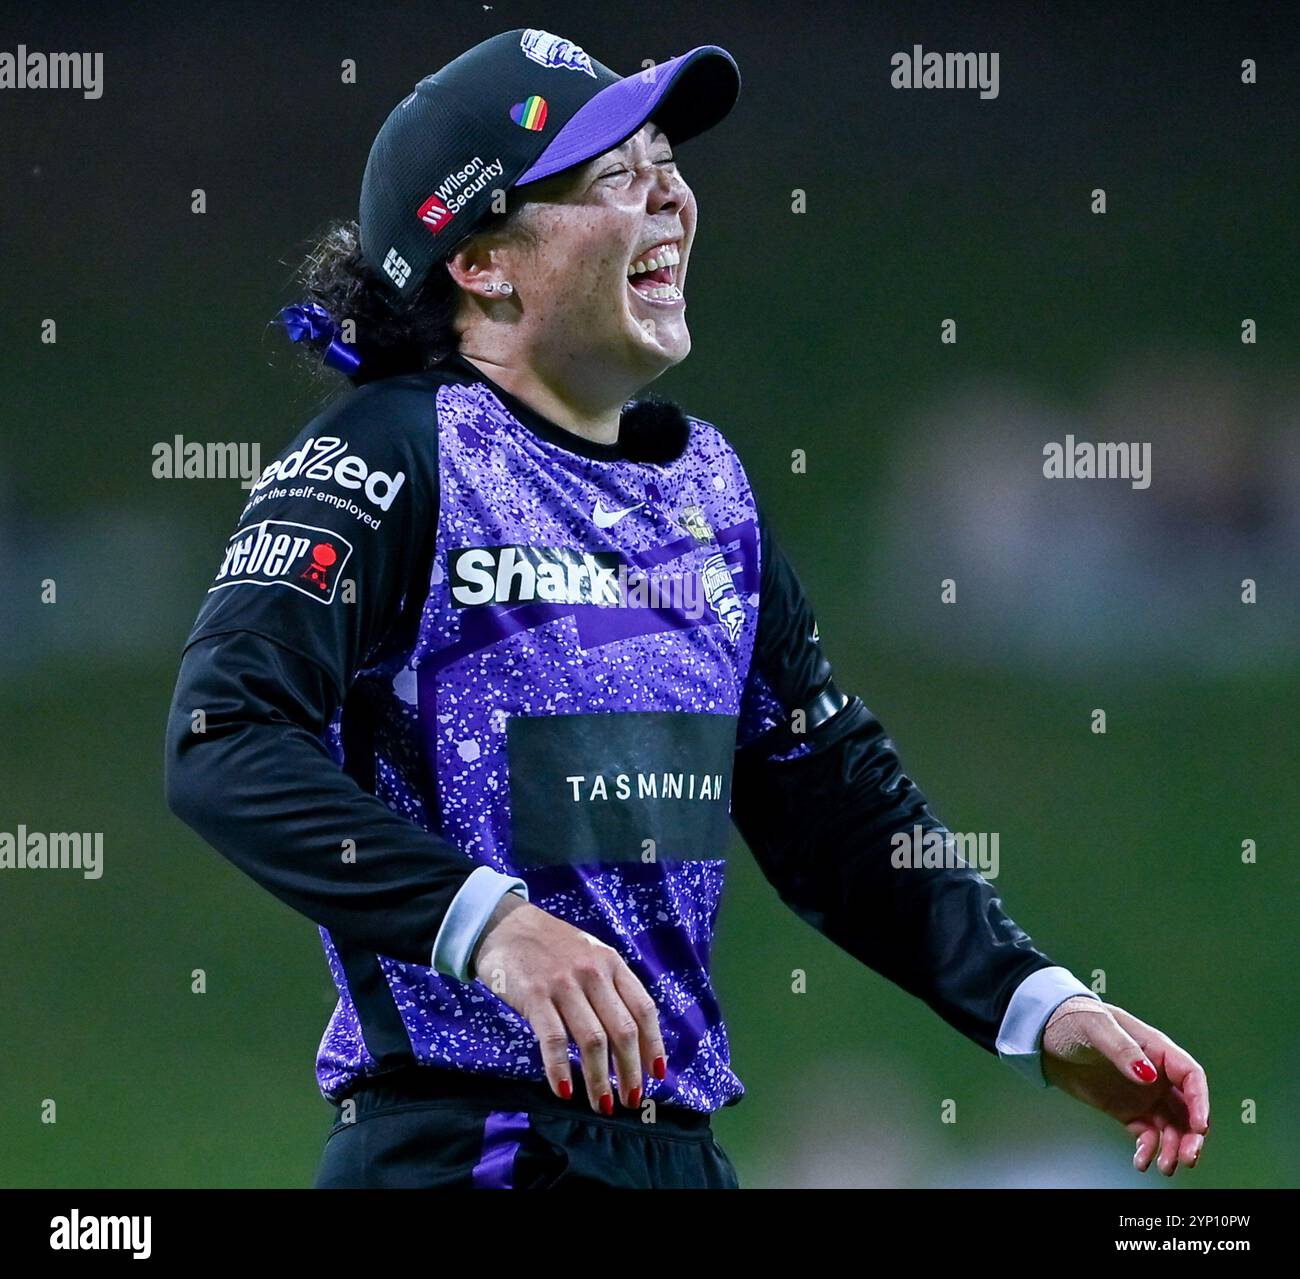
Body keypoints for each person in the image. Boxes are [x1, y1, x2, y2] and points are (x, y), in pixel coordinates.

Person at [164, 27, 1209, 1190]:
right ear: (483, 261)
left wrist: (1032, 1001)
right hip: (465, 1148)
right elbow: (227, 740)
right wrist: (492, 925)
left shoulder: (709, 488)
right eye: (618, 173)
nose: (672, 196)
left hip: (674, 1156)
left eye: (668, 159)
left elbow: (827, 795)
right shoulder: (392, 449)